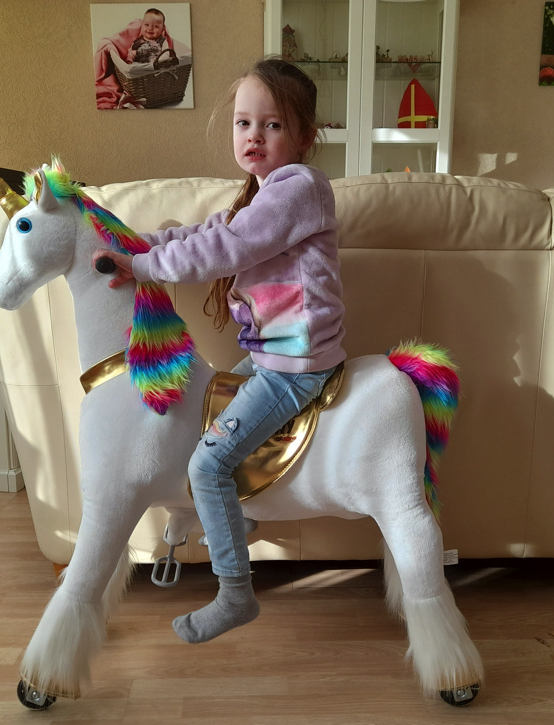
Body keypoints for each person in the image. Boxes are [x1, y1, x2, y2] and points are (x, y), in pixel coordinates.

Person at [93, 57, 346, 644]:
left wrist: (143, 267)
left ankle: (235, 593)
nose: (254, 136)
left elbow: (225, 249)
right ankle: (240, 514)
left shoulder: (300, 189)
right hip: (272, 354)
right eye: (243, 123)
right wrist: (140, 245)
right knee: (209, 413)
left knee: (207, 465)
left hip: (294, 366)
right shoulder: (260, 194)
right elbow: (204, 234)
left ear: (305, 137)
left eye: (273, 125)